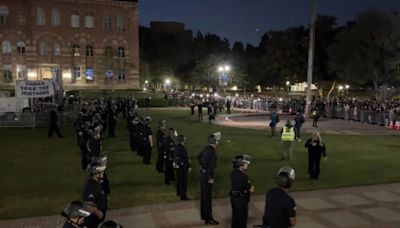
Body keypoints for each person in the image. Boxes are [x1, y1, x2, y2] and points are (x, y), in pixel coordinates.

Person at [198, 134, 219, 225]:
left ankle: (204, 215)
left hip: (203, 176)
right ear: (214, 142)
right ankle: (209, 218)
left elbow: (199, 157)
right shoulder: (212, 151)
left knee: (204, 197)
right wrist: (210, 177)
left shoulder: (206, 149)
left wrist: (201, 166)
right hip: (207, 177)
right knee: (207, 198)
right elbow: (209, 166)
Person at [82, 156, 108, 228]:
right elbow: (88, 205)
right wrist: (99, 213)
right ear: (96, 173)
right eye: (101, 171)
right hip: (92, 221)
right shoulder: (91, 186)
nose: (103, 172)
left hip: (96, 220)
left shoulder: (96, 182)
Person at [230, 155, 254, 228]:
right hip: (241, 200)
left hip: (234, 199)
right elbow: (252, 189)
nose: (247, 165)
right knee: (242, 221)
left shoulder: (233, 173)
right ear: (241, 165)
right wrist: (249, 184)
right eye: (246, 163)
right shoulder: (243, 176)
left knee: (235, 219)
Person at [174, 134, 191, 200]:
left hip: (178, 167)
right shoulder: (183, 149)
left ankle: (179, 192)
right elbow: (185, 158)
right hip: (183, 167)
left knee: (179, 180)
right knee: (183, 182)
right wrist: (188, 166)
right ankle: (183, 196)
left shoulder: (177, 147)